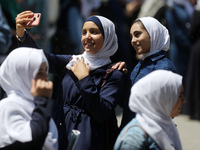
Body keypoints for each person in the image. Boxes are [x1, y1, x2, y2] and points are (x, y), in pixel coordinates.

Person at [15, 11, 126, 150]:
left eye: (94, 32)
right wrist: (22, 35)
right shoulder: (73, 61)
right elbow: (42, 58)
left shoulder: (114, 74)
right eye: (84, 32)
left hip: (86, 139)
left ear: (107, 37)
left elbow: (101, 112)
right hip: (59, 130)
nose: (87, 37)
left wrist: (84, 78)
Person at [118, 16, 176, 129]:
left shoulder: (164, 68)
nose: (133, 40)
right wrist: (121, 76)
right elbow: (127, 104)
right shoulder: (141, 64)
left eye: (137, 34)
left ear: (153, 34)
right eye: (131, 36)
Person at [0, 47, 58, 150]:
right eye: (39, 73)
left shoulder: (32, 105)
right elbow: (31, 142)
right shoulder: (8, 107)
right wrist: (43, 101)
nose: (46, 77)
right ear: (21, 74)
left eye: (46, 71)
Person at [114, 70, 185, 150]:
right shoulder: (134, 139)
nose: (183, 100)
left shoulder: (167, 125)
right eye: (178, 95)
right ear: (162, 98)